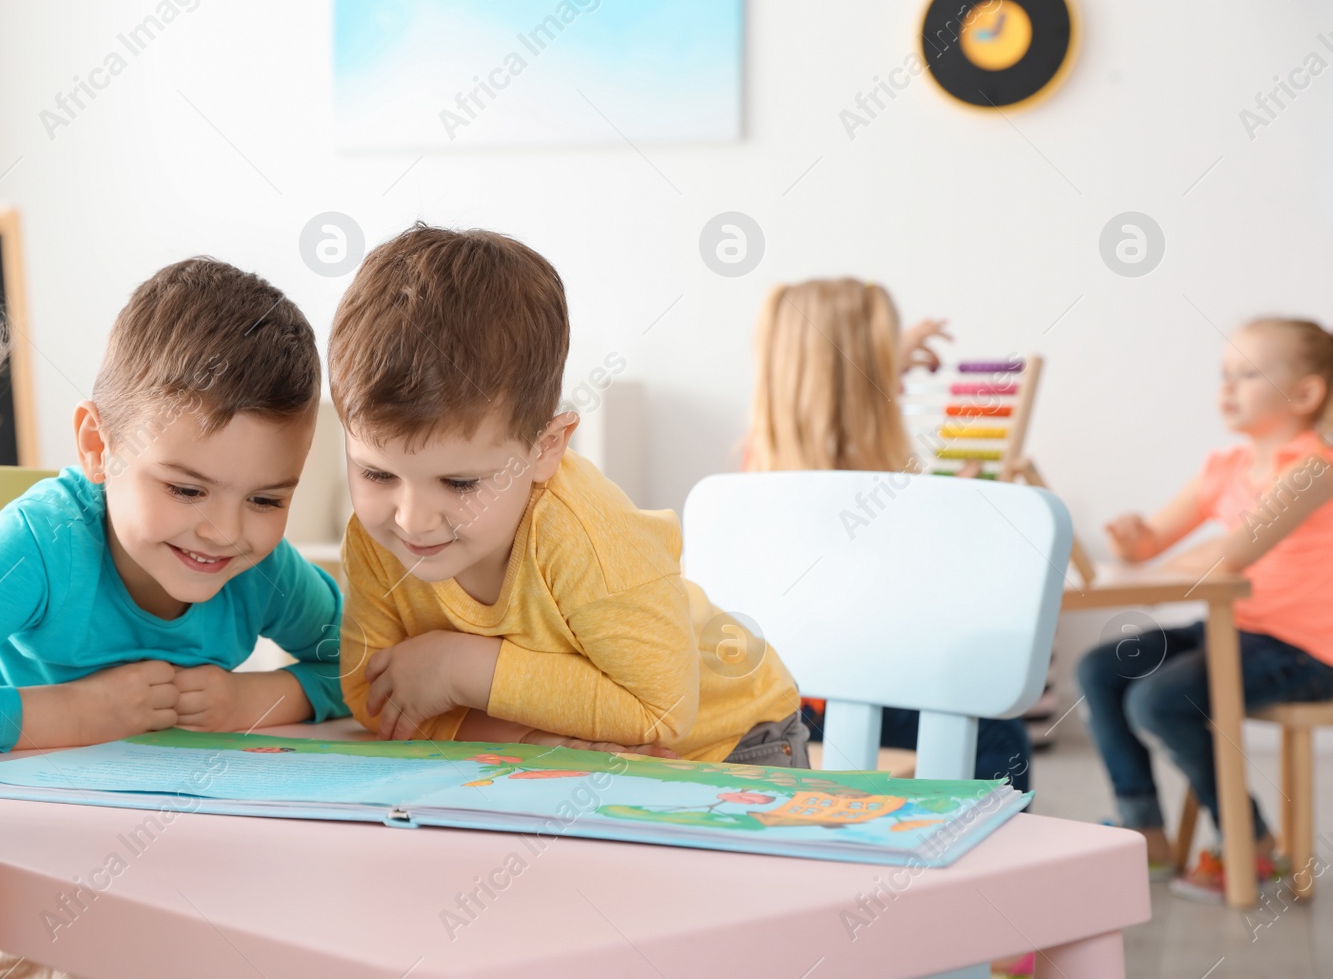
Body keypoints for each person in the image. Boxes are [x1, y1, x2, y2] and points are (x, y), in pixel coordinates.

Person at [333, 224, 804, 766]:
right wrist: (514, 737)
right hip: (560, 759)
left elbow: (664, 711)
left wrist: (458, 668)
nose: (411, 520)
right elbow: (373, 698)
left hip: (735, 741)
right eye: (375, 474)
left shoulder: (583, 534)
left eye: (460, 483)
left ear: (545, 448)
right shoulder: (373, 541)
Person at [0, 258, 347, 757]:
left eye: (265, 500)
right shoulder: (44, 545)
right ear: (98, 448)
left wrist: (255, 699)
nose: (226, 532)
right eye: (186, 490)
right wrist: (73, 714)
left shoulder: (263, 571)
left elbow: (369, 663)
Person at [1078, 317, 1333, 902]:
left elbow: (1236, 551)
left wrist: (1179, 563)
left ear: (1306, 394)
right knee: (1100, 668)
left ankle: (1251, 840)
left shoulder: (1312, 469)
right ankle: (1146, 830)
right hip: (1235, 628)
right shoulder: (1225, 468)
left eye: (1247, 374)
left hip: (1304, 651)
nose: (1227, 387)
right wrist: (1130, 541)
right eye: (1224, 374)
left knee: (1161, 699)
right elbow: (1152, 544)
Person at [746, 278, 1033, 790]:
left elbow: (832, 391)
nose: (901, 386)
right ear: (863, 380)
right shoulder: (866, 488)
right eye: (886, 369)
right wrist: (950, 513)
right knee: (997, 732)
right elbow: (908, 608)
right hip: (831, 702)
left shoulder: (761, 468)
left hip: (771, 700)